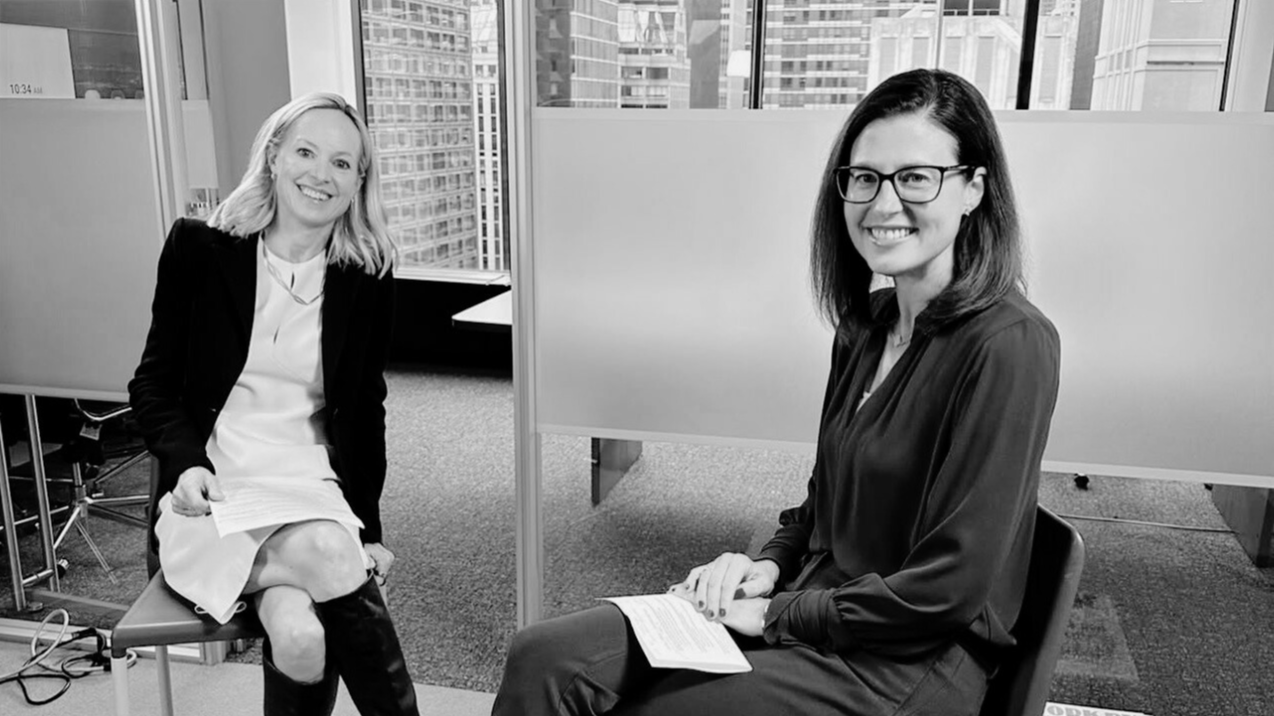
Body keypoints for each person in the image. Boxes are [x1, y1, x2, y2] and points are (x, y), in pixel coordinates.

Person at [490, 69, 1061, 716]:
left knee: (654, 708)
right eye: (865, 177)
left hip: (905, 662)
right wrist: (763, 566)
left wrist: (776, 611)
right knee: (542, 656)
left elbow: (948, 589)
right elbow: (822, 509)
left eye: (916, 177)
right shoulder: (866, 328)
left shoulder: (1010, 345)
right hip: (813, 605)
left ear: (973, 190)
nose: (882, 203)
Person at [129, 92, 418, 716]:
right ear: (273, 157)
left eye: (343, 163)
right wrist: (185, 466)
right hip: (215, 490)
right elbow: (151, 385)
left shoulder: (367, 273)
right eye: (306, 153)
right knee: (324, 569)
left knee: (299, 635)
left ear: (359, 181)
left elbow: (366, 412)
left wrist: (368, 528)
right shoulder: (199, 249)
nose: (322, 174)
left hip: (309, 485)